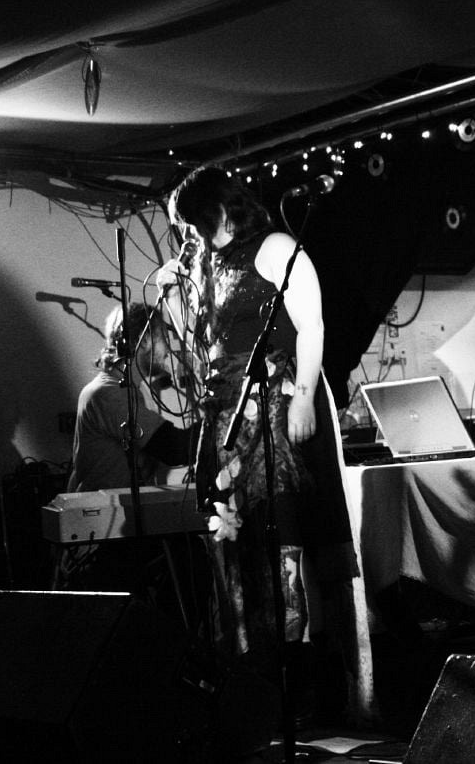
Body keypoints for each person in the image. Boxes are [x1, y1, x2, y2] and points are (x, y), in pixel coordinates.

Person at [163, 168, 363, 752]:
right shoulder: (206, 265)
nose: (189, 236)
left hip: (273, 409)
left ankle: (298, 688)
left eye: (192, 224)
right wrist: (175, 294)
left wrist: (303, 397)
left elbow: (311, 324)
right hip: (225, 419)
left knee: (282, 544)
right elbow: (200, 345)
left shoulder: (274, 247)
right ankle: (249, 690)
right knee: (234, 549)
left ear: (218, 211)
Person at [67, 302, 194, 492]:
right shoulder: (108, 393)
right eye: (164, 338)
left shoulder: (129, 391)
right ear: (145, 340)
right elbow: (173, 448)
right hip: (105, 509)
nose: (168, 351)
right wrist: (225, 421)